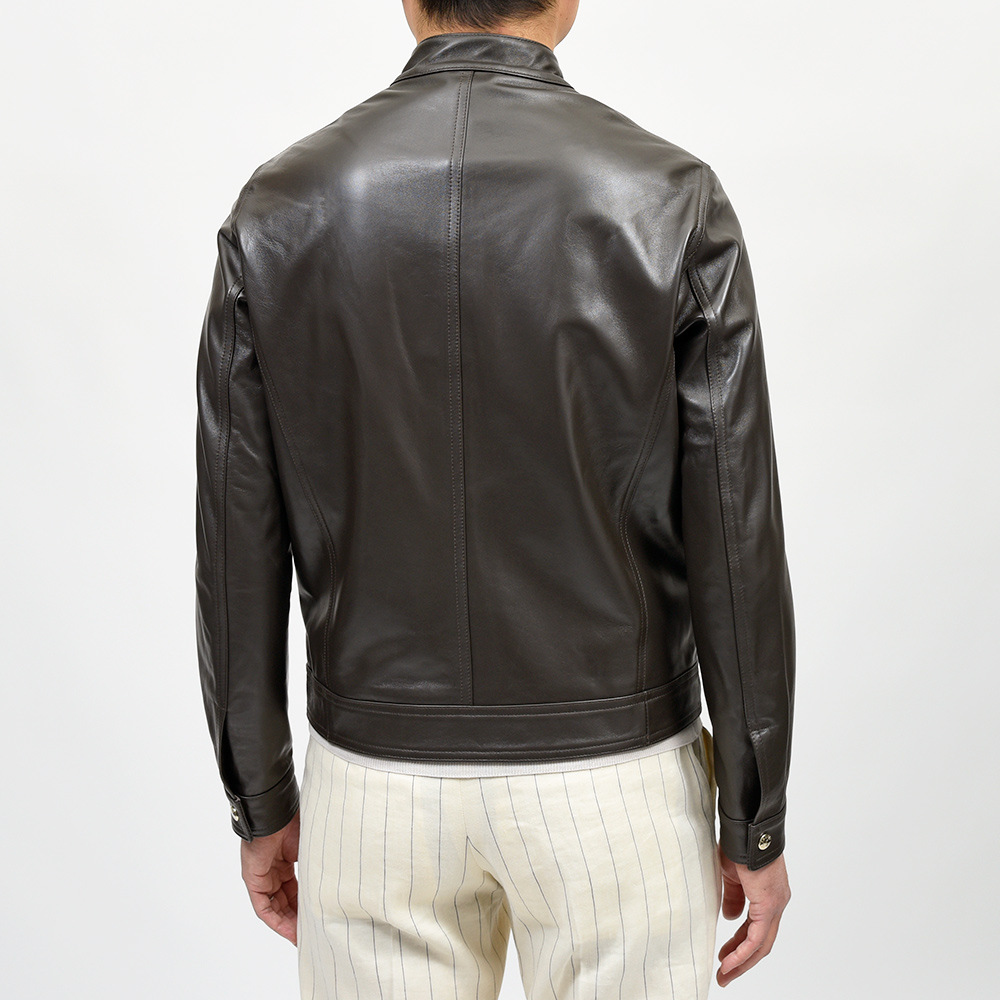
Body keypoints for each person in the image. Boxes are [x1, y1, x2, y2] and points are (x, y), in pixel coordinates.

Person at [194, 1, 796, 996]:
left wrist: (260, 799)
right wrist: (754, 813)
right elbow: (736, 535)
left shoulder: (281, 206)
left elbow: (234, 543)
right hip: (615, 784)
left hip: (374, 789)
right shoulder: (668, 197)